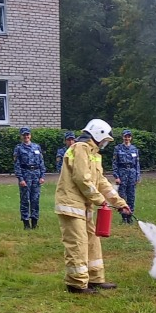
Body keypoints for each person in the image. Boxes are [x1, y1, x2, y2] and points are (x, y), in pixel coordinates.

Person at [55, 118, 132, 293]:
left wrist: (120, 203)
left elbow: (102, 182)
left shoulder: (94, 154)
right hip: (71, 205)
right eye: (105, 139)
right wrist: (100, 200)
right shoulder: (80, 148)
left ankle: (95, 279)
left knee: (92, 241)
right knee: (78, 243)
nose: (105, 143)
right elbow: (82, 179)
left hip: (84, 206)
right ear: (97, 134)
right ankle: (76, 284)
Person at [14, 127, 45, 229]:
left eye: (27, 134)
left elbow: (41, 162)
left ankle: (35, 222)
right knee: (25, 200)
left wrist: (42, 176)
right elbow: (17, 165)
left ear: (30, 135)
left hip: (36, 175)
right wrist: (21, 179)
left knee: (35, 199)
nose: (26, 136)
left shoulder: (36, 147)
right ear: (21, 136)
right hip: (25, 175)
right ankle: (26, 222)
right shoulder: (18, 148)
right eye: (24, 135)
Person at [111, 129, 141, 222]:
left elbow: (137, 164)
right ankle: (124, 217)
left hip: (132, 173)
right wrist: (116, 176)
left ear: (131, 138)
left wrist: (137, 176)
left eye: (128, 136)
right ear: (123, 137)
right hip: (122, 173)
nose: (127, 138)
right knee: (122, 196)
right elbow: (115, 163)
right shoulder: (118, 148)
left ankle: (130, 216)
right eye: (125, 136)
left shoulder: (134, 149)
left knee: (131, 196)